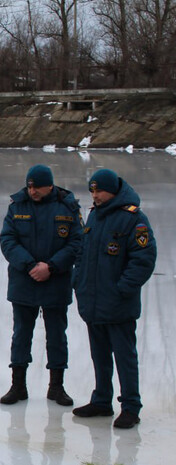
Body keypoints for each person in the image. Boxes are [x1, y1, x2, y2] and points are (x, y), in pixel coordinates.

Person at [72, 169, 156, 429]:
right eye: (92, 191)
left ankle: (130, 407)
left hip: (118, 304)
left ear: (113, 190)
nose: (95, 196)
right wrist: (79, 281)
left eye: (99, 191)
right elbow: (83, 253)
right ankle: (101, 400)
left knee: (125, 357)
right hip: (93, 301)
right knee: (99, 356)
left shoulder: (134, 219)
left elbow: (143, 260)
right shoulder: (95, 216)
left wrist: (123, 289)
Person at [0, 164, 82, 406]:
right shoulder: (17, 207)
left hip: (56, 281)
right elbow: (7, 240)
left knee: (57, 336)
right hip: (24, 282)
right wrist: (30, 265)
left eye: (37, 186)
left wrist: (51, 267)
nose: (32, 190)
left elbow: (77, 242)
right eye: (30, 185)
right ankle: (18, 386)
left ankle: (56, 387)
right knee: (21, 335)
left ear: (50, 185)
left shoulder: (67, 207)